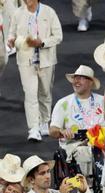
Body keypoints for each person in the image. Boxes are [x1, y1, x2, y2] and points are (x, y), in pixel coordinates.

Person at [6, 0, 61, 142]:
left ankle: (44, 122)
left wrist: (42, 43)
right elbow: (11, 33)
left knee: (45, 92)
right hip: (26, 60)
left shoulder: (49, 12)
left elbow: (58, 36)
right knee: (30, 95)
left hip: (46, 60)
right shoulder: (18, 13)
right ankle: (34, 128)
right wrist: (11, 40)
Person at [48, 65, 104, 181]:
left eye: (81, 78)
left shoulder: (102, 101)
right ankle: (87, 187)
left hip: (100, 143)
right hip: (74, 145)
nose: (76, 81)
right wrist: (61, 131)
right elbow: (52, 131)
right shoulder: (63, 103)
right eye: (75, 78)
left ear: (90, 82)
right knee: (84, 153)